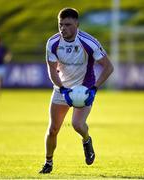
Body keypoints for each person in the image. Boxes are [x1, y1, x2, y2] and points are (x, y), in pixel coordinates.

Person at [39, 8, 114, 174]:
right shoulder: (53, 43)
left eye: (67, 24)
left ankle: (86, 141)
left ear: (77, 24)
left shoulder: (89, 42)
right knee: (53, 129)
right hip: (62, 88)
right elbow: (52, 70)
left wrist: (94, 89)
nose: (63, 28)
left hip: (84, 89)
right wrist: (62, 89)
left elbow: (108, 67)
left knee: (77, 125)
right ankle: (48, 162)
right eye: (60, 25)